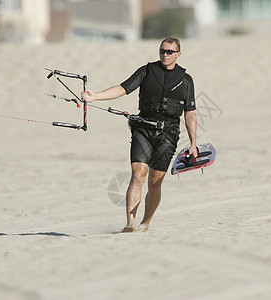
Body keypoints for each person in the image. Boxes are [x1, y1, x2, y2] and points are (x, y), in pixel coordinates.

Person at [81, 37, 197, 233]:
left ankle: (145, 223)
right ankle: (130, 222)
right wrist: (96, 96)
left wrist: (193, 142)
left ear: (178, 54)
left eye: (169, 52)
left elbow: (190, 113)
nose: (165, 55)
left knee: (155, 182)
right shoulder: (147, 71)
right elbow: (122, 88)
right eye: (162, 51)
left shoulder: (186, 80)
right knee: (137, 175)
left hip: (168, 133)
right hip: (143, 128)